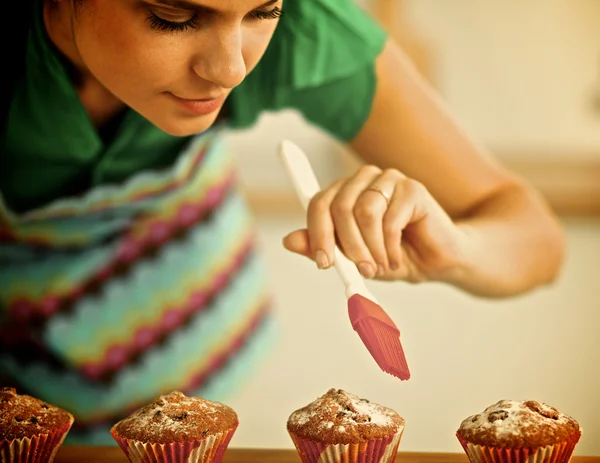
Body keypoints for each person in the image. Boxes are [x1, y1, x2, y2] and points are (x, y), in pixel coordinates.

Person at [0, 0, 564, 445]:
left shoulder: (310, 24)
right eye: (173, 16)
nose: (230, 69)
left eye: (263, 11)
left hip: (198, 366)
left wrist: (456, 249)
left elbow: (534, 237)